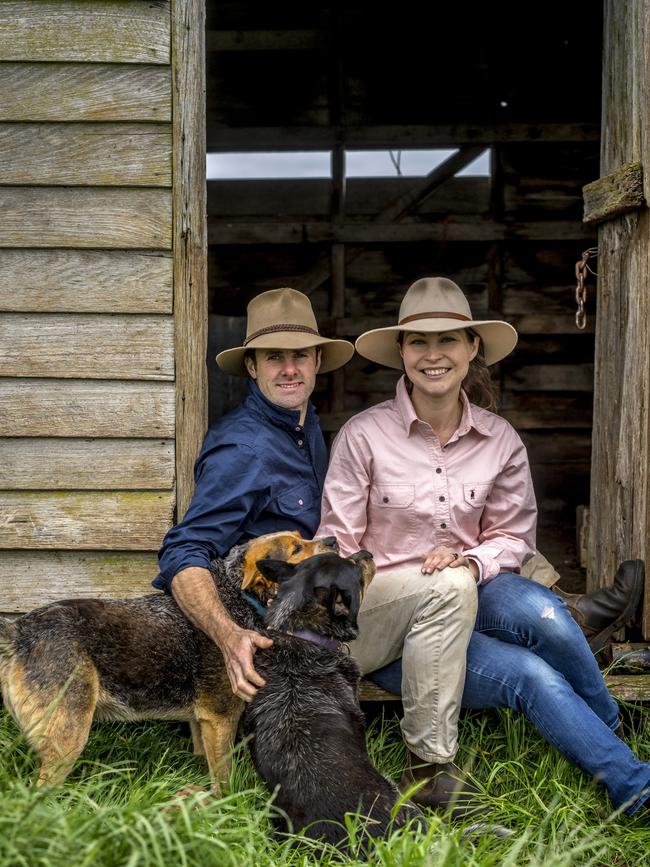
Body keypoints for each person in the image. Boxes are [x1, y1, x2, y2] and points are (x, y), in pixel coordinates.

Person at [317, 276, 650, 818]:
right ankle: (609, 742)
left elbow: (513, 537)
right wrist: (419, 586)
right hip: (387, 618)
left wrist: (472, 560)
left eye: (449, 340)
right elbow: (339, 550)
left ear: (473, 349)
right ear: (400, 352)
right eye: (419, 342)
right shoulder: (363, 436)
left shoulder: (500, 439)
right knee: (524, 670)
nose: (434, 355)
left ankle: (627, 774)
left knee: (544, 613)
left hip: (475, 587)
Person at [152, 288, 354, 700]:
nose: (289, 369)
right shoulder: (243, 450)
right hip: (272, 623)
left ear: (318, 361)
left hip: (313, 602)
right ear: (251, 366)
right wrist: (230, 638)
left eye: (300, 355)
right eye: (273, 357)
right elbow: (183, 549)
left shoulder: (305, 424)